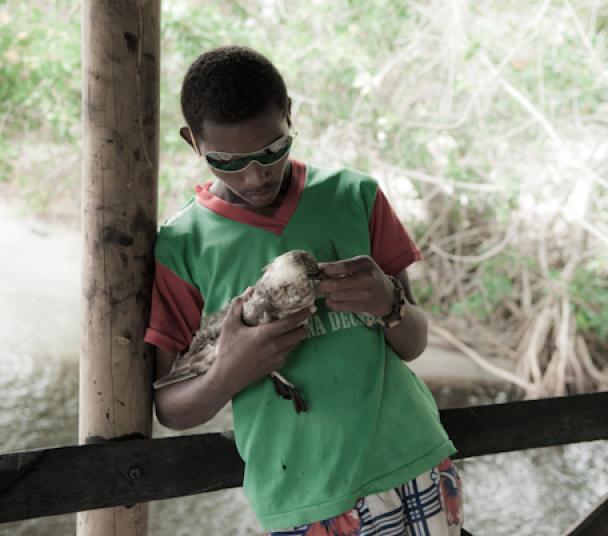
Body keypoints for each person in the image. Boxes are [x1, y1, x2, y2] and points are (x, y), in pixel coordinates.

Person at [144, 45, 464, 535]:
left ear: (289, 115)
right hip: (305, 494)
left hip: (415, 454)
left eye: (273, 151)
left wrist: (389, 302)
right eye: (228, 161)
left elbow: (414, 342)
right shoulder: (182, 246)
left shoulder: (354, 197)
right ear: (193, 143)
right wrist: (225, 375)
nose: (255, 176)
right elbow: (168, 406)